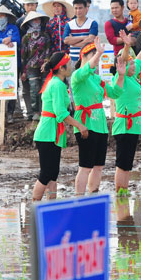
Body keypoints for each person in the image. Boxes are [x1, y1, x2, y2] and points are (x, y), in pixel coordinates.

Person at [32, 52, 88, 201]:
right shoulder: (57, 85)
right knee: (46, 173)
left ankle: (51, 204)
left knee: (53, 173)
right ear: (61, 69)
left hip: (53, 132)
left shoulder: (57, 83)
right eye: (68, 65)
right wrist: (80, 125)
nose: (70, 67)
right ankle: (35, 205)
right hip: (47, 133)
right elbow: (61, 113)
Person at [71, 39, 124, 195]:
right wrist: (99, 52)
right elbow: (87, 69)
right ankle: (79, 198)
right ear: (83, 57)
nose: (97, 59)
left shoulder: (96, 79)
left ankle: (93, 194)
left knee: (99, 165)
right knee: (85, 166)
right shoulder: (77, 76)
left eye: (98, 55)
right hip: (85, 123)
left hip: (100, 124)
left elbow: (114, 93)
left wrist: (120, 76)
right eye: (93, 55)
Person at [109, 31, 141, 194]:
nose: (135, 66)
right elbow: (126, 59)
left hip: (134, 126)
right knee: (122, 162)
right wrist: (126, 45)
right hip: (124, 125)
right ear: (123, 66)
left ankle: (124, 189)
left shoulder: (132, 76)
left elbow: (138, 59)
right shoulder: (121, 78)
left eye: (133, 64)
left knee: (128, 162)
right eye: (130, 64)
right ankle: (120, 191)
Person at [0, 5, 20, 123]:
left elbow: (17, 39)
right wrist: (4, 40)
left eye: (2, 15)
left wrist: (10, 40)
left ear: (6, 17)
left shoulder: (13, 28)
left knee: (12, 86)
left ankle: (10, 113)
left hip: (13, 64)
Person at [20, 11, 50, 121]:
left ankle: (44, 111)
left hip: (43, 66)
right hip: (31, 67)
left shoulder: (45, 36)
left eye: (38, 20)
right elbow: (23, 56)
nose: (37, 22)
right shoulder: (26, 38)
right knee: (34, 89)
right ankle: (35, 111)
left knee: (44, 89)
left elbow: (47, 51)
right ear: (30, 22)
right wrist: (23, 71)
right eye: (34, 20)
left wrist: (46, 63)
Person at [16, 0, 40, 121]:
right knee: (26, 87)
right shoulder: (20, 22)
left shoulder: (41, 20)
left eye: (32, 4)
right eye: (28, 5)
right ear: (24, 6)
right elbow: (20, 43)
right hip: (25, 59)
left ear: (36, 5)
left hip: (40, 60)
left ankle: (39, 111)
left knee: (38, 86)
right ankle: (29, 111)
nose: (30, 7)